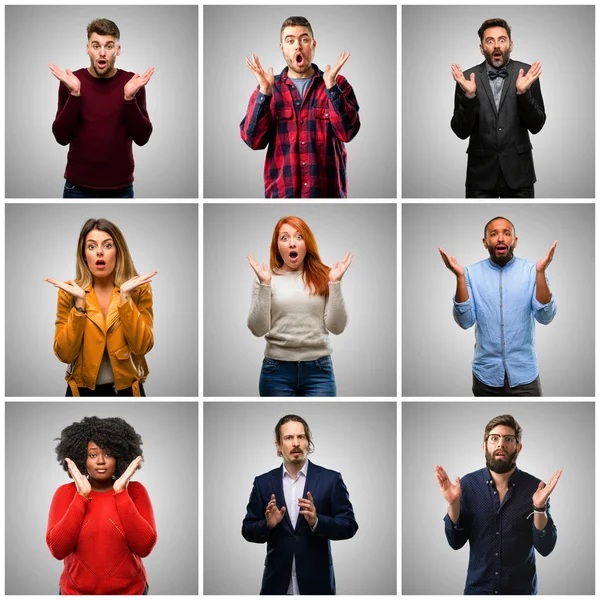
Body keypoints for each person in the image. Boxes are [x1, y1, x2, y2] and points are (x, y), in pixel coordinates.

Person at [434, 414, 560, 595]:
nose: (501, 444)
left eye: (508, 439)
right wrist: (453, 503)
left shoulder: (535, 488)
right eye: (494, 438)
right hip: (478, 591)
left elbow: (546, 547)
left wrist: (539, 508)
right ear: (484, 446)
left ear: (518, 447)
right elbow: (455, 542)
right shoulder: (467, 485)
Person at [240, 16, 360, 198]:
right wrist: (265, 92)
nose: (298, 46)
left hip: (327, 195)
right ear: (282, 47)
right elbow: (253, 141)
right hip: (282, 196)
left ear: (313, 44)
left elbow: (348, 133)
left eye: (304, 39)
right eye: (290, 41)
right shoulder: (269, 89)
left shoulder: (338, 85)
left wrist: (332, 88)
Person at [439, 216, 557, 396]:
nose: (500, 238)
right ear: (485, 242)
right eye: (493, 234)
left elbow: (545, 317)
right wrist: (460, 277)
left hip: (525, 376)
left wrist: (541, 273)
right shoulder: (469, 273)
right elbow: (465, 321)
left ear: (515, 241)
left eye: (506, 233)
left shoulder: (533, 271)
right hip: (485, 377)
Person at [242, 414, 358, 594]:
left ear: (308, 443)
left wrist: (317, 522)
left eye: (301, 437)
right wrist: (268, 525)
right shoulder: (262, 483)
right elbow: (247, 529)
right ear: (278, 445)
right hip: (275, 585)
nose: (295, 443)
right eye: (288, 438)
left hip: (318, 585)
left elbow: (349, 526)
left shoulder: (331, 479)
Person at [46, 416, 157, 595]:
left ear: (120, 456)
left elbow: (144, 547)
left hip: (131, 592)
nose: (100, 461)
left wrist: (121, 493)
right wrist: (81, 497)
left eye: (108, 454)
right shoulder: (66, 494)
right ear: (82, 458)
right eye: (93, 454)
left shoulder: (135, 492)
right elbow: (58, 550)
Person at [46, 218, 156, 396]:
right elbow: (64, 355)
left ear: (118, 251)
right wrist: (79, 306)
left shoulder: (138, 289)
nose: (99, 252)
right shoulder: (69, 292)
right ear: (84, 255)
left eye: (107, 246)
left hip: (128, 390)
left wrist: (126, 299)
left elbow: (142, 347)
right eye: (91, 246)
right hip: (80, 391)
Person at [247, 216, 352, 396]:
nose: (292, 243)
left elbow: (337, 327)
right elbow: (257, 329)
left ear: (307, 244)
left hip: (319, 372)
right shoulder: (266, 278)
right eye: (285, 238)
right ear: (277, 247)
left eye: (299, 237)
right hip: (276, 372)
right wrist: (265, 284)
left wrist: (334, 283)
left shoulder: (326, 276)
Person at [50, 18, 154, 198]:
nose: (102, 53)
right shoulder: (72, 82)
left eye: (109, 46)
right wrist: (74, 94)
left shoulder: (132, 83)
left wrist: (129, 98)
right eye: (96, 46)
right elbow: (61, 137)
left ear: (117, 50)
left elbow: (143, 138)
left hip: (121, 189)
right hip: (77, 188)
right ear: (87, 49)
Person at [451, 18, 545, 198]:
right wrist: (469, 96)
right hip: (480, 176)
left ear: (510, 45)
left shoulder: (527, 74)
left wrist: (522, 93)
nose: (496, 45)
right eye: (490, 41)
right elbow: (460, 131)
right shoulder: (466, 78)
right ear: (481, 48)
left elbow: (537, 126)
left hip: (520, 175)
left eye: (502, 40)